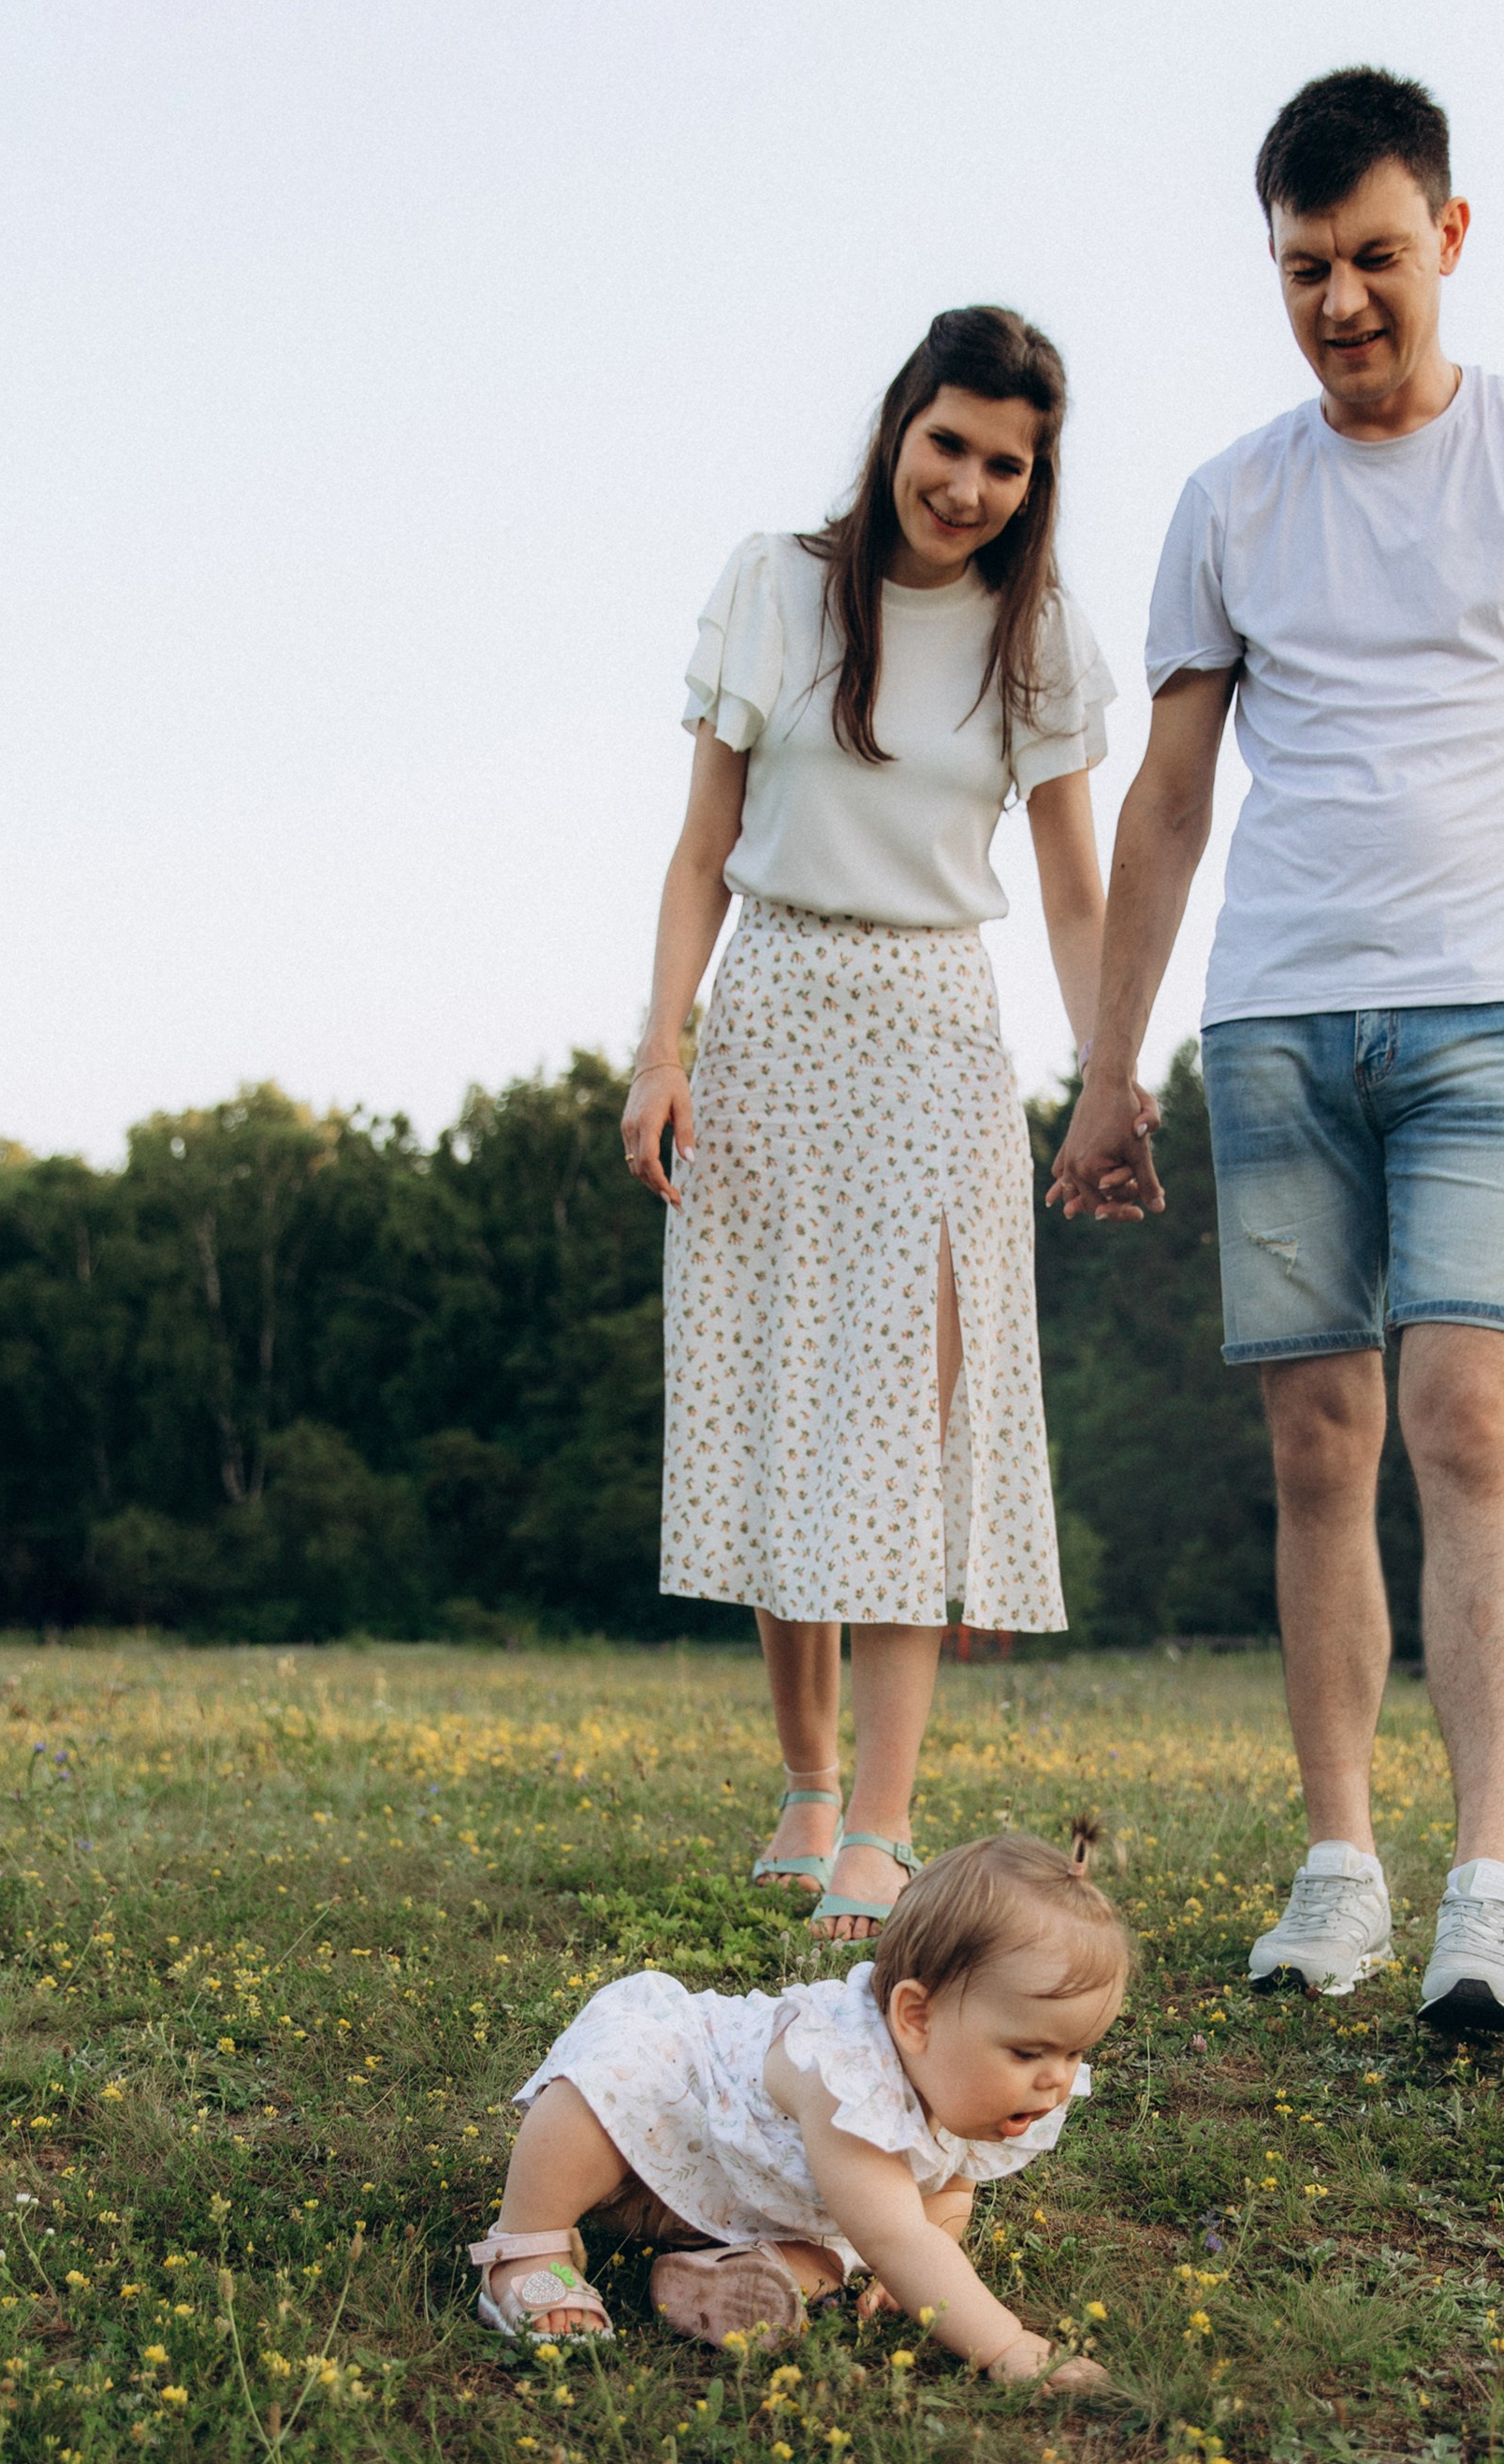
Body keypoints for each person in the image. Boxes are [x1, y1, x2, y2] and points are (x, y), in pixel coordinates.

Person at [1049, 67, 1504, 2038]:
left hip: (1491, 1009)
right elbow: (1162, 807)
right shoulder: (1230, 499)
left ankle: (1486, 1890)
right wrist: (1107, 1065)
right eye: (1305, 267)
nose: (1341, 301)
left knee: (1467, 1426)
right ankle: (1341, 1861)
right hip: (1275, 1020)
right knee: (1317, 1447)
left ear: (1452, 242)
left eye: (1376, 258)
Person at [624, 308, 1140, 1942]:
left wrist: (1109, 1065)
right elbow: (702, 845)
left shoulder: (1034, 633)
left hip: (935, 1031)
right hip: (771, 1009)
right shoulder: (773, 584)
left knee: (900, 1433)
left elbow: (1070, 879)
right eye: (949, 442)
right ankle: (803, 1781)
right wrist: (661, 1047)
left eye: (1007, 461)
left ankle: (887, 1821)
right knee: (787, 1396)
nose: (969, 483)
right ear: (898, 423)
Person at [466, 1826, 1125, 2393]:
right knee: (603, 2093)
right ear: (916, 2018)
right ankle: (527, 2249)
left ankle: (730, 2279)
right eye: (1029, 2053)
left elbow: (949, 2183)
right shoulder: (844, 2074)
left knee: (840, 2255)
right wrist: (1004, 2344)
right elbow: (898, 2235)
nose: (1056, 2082)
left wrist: (929, 2259)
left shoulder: (965, 2082)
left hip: (749, 2198)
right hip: (664, 2136)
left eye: (1073, 2054)